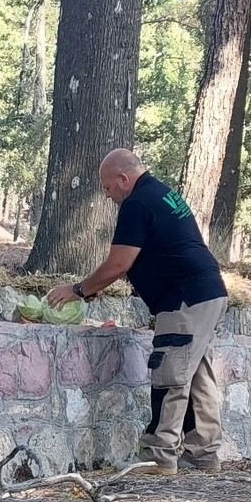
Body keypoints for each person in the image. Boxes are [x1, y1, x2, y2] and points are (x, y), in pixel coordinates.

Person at [46, 149, 230, 474]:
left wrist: (78, 290)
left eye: (107, 187)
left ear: (123, 179)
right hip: (208, 292)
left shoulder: (137, 203)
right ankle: (204, 454)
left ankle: (161, 458)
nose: (107, 195)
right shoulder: (162, 194)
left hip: (183, 298)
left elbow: (119, 263)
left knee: (170, 375)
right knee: (199, 376)